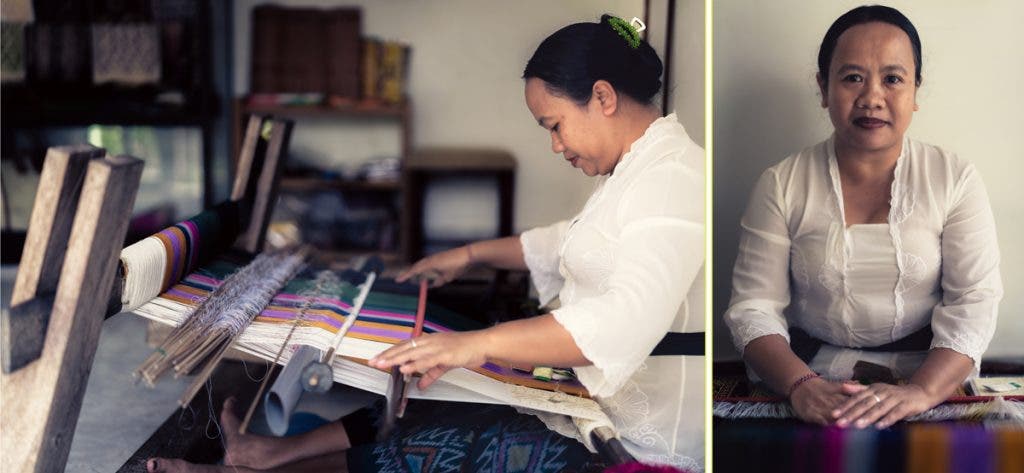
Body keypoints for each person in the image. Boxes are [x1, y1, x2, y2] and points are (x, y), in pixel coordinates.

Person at [147, 14, 704, 473]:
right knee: (438, 387)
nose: (556, 145)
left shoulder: (672, 179)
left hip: (631, 441)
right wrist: (469, 255)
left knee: (438, 433)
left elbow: (623, 320)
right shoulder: (638, 169)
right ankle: (265, 454)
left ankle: (250, 467)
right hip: (586, 404)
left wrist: (477, 343)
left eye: (554, 124)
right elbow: (570, 244)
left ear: (602, 97)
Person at [723, 5, 1001, 428]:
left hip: (931, 376)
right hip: (809, 376)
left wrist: (921, 392)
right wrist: (801, 385)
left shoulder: (954, 178)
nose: (872, 97)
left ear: (914, 90)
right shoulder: (781, 183)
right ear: (823, 87)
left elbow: (974, 299)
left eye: (892, 79)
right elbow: (753, 308)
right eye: (852, 77)